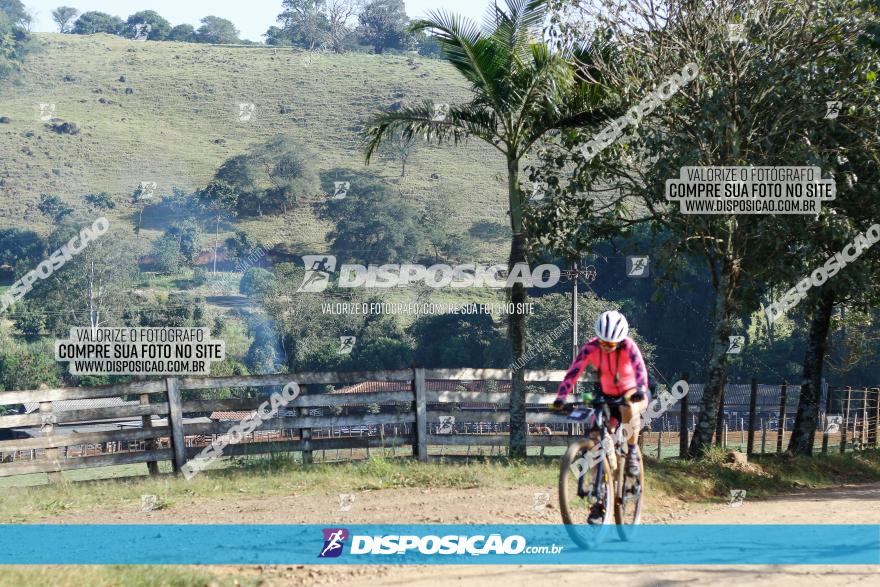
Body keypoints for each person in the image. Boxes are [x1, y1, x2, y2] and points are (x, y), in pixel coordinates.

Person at [552, 310, 650, 523]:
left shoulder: (629, 347)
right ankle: (600, 502)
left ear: (621, 340)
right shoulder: (591, 347)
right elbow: (573, 372)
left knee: (627, 407)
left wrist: (641, 389)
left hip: (632, 391)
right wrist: (561, 396)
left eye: (612, 344)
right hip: (606, 394)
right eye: (604, 342)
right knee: (597, 440)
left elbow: (640, 371)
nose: (606, 346)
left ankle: (632, 452)